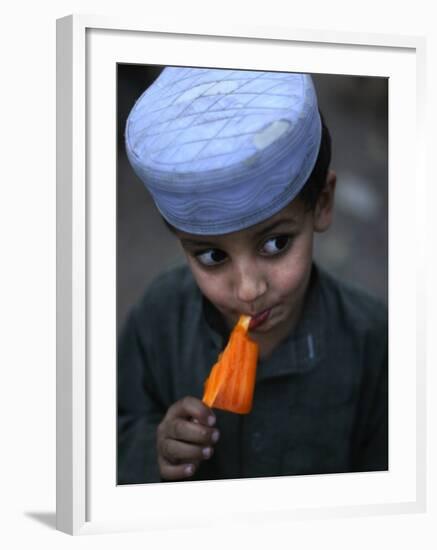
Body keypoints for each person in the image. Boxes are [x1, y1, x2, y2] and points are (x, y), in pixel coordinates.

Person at [118, 67, 388, 484]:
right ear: (181, 245)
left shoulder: (374, 341)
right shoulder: (158, 320)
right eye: (211, 255)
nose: (248, 290)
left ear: (322, 204)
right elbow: (101, 432)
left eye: (276, 244)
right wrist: (153, 448)